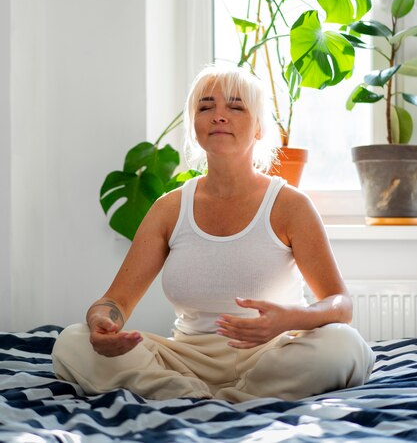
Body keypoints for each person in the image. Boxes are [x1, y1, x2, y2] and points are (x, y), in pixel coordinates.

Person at [52, 66, 375, 402]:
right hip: (185, 360)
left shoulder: (290, 205)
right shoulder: (169, 208)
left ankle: (203, 399)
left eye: (236, 107)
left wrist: (289, 319)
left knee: (343, 344)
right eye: (206, 107)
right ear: (195, 124)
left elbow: (340, 304)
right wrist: (102, 321)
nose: (219, 116)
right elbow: (114, 302)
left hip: (272, 354)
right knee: (73, 342)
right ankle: (198, 395)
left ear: (261, 127)